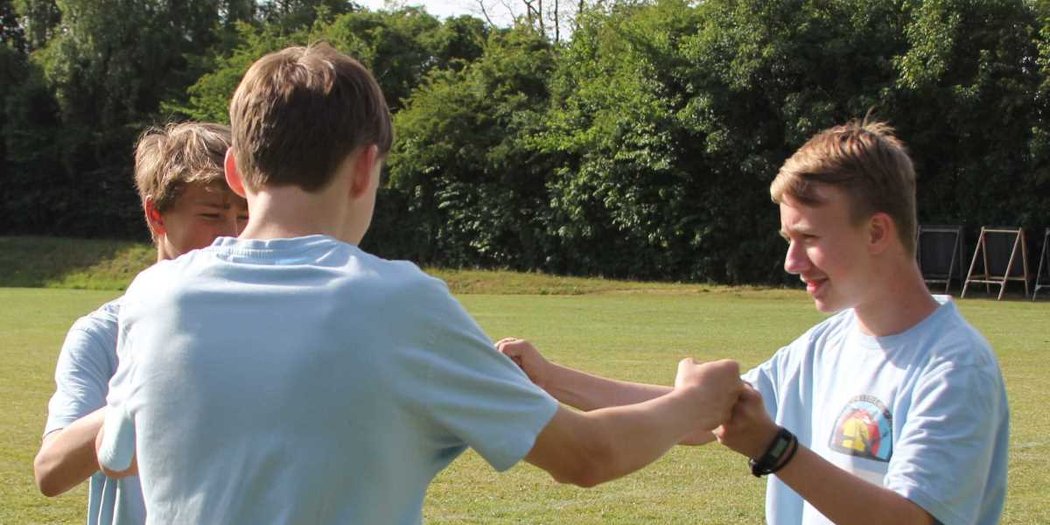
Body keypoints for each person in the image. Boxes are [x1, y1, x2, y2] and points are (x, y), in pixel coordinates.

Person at [94, 43, 745, 524]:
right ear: (364, 167)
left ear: (235, 172)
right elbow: (588, 456)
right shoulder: (400, 305)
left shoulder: (151, 298)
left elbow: (118, 452)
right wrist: (695, 401)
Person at [498, 120, 1009, 525]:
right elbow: (701, 418)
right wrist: (550, 378)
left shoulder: (954, 366)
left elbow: (909, 522)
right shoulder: (825, 345)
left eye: (808, 237)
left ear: (877, 232)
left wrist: (774, 448)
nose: (791, 261)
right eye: (788, 239)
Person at [33, 122, 248, 525]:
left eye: (244, 215)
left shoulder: (265, 325)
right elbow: (50, 472)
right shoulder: (101, 334)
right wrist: (155, 391)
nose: (232, 235)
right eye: (212, 215)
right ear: (156, 214)